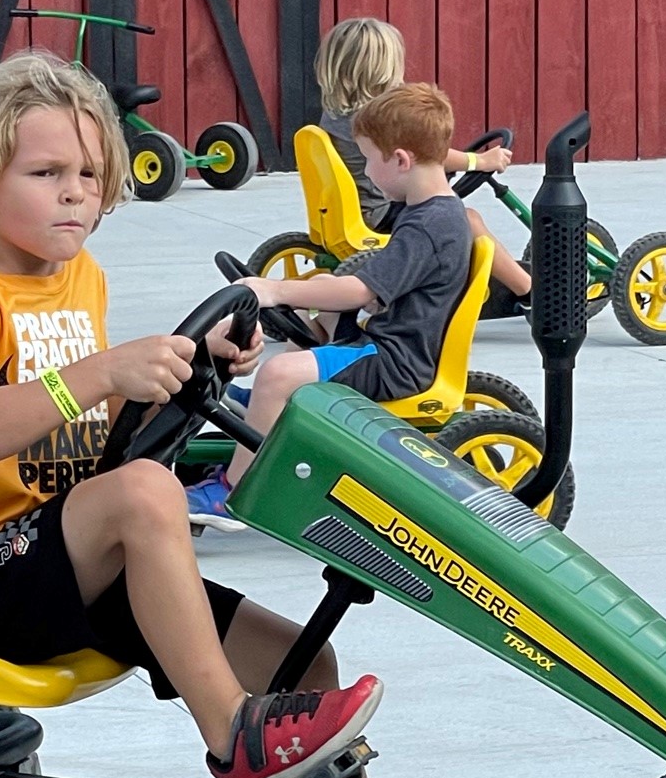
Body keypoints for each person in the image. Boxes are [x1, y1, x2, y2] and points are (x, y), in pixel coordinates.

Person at [0, 50, 521, 778]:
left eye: (88, 176)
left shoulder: (81, 282)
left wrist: (192, 369)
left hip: (77, 566)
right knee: (153, 495)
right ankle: (236, 739)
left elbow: (102, 444)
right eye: (44, 175)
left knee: (305, 666)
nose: (74, 196)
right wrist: (103, 373)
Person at [184, 82, 472, 518]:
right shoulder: (429, 210)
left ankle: (232, 493)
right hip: (389, 338)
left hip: (396, 361)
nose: (367, 172)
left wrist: (274, 289)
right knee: (318, 288)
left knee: (278, 373)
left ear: (400, 160)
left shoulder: (429, 226)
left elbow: (360, 290)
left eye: (369, 160)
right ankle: (267, 409)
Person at [314, 16, 530, 303]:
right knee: (468, 220)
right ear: (383, 70)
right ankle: (528, 290)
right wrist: (480, 161)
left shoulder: (335, 113)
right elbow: (428, 155)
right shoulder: (376, 119)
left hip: (358, 208)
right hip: (381, 212)